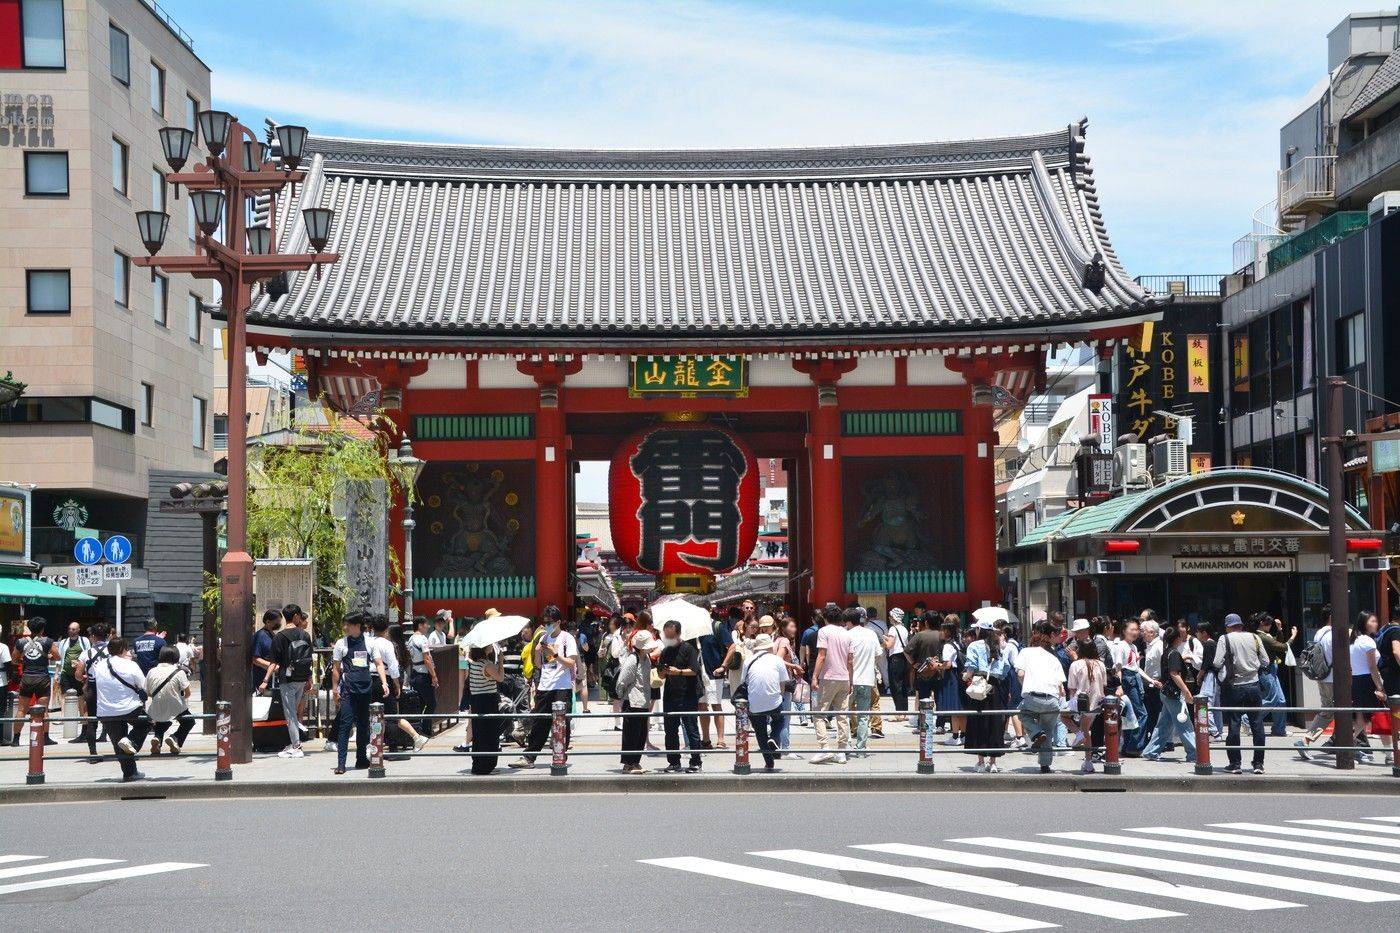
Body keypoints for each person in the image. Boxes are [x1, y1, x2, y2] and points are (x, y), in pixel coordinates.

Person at [512, 606, 577, 768]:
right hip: (545, 685)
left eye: (550, 622)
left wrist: (554, 654)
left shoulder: (567, 638)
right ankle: (529, 757)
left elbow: (571, 663)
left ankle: (560, 755)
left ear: (558, 622)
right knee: (539, 721)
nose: (547, 625)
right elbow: (539, 665)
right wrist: (537, 650)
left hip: (562, 686)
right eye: (545, 622)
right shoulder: (544, 638)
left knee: (561, 721)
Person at [331, 613, 387, 774]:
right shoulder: (341, 644)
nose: (345, 627)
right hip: (348, 689)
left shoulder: (370, 642)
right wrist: (335, 689)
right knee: (345, 724)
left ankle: (361, 758)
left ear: (356, 625)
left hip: (365, 688)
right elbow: (336, 669)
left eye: (347, 624)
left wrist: (384, 682)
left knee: (363, 725)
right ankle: (341, 763)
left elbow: (378, 663)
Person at [1213, 612, 1268, 775]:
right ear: (1241, 625)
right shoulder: (1255, 638)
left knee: (1234, 724)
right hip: (1254, 685)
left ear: (1228, 627)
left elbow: (1216, 662)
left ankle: (1235, 764)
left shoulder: (1225, 639)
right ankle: (1258, 764)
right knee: (1257, 724)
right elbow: (1266, 661)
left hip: (1234, 686)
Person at [91, 637, 151, 782]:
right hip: (130, 707)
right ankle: (132, 741)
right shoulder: (130, 664)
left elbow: (92, 680)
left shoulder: (98, 665)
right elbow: (144, 685)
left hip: (106, 710)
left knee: (118, 742)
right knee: (146, 724)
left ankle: (129, 773)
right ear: (123, 649)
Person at [1016, 624, 1067, 774]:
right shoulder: (1053, 658)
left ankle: (1036, 733)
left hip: (1033, 696)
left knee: (1022, 713)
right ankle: (1045, 765)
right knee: (1049, 730)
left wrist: (1024, 687)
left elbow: (1020, 674)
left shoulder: (1025, 652)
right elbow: (1060, 687)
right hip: (1052, 699)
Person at [1142, 622, 1197, 762]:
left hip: (1166, 693)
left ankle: (1151, 751)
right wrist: (1186, 691)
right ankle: (1195, 753)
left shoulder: (1167, 652)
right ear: (1177, 638)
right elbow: (1174, 673)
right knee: (1184, 724)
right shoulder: (1174, 654)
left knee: (1164, 726)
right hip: (1173, 694)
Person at [963, 619, 1012, 772]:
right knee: (995, 722)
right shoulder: (998, 645)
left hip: (980, 685)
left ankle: (981, 761)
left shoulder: (974, 646)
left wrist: (965, 676)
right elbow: (1006, 668)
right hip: (995, 686)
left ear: (979, 630)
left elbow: (970, 667)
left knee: (979, 721)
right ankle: (993, 763)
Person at [657, 620, 704, 772]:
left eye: (670, 634)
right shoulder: (665, 651)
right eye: (665, 634)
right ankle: (674, 761)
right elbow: (660, 675)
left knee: (691, 728)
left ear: (678, 634)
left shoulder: (688, 649)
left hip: (688, 694)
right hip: (671, 695)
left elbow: (694, 670)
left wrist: (679, 671)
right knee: (670, 730)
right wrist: (663, 672)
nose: (667, 637)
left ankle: (695, 761)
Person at [740, 632, 791, 771]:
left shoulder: (748, 661)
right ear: (770, 646)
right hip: (774, 701)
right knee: (779, 720)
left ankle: (769, 762)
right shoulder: (777, 660)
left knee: (760, 731)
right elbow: (782, 685)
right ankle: (774, 737)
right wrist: (778, 697)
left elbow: (744, 682)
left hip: (754, 703)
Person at [810, 603, 852, 765]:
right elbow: (850, 660)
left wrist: (815, 676)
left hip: (828, 677)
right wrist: (851, 680)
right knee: (842, 715)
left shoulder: (823, 631)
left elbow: (821, 655)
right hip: (844, 677)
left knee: (819, 713)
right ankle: (841, 750)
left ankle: (824, 748)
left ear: (825, 618)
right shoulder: (846, 633)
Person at [270, 604, 314, 757]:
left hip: (286, 679)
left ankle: (296, 747)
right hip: (301, 678)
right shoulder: (305, 635)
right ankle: (293, 743)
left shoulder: (279, 637)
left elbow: (274, 662)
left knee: (290, 714)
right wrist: (309, 678)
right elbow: (309, 659)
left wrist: (265, 680)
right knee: (293, 712)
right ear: (295, 616)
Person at [1347, 612, 1387, 762]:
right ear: (1365, 623)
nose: (1376, 623)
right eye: (1373, 621)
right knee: (1373, 715)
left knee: (1361, 719)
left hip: (1356, 680)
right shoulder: (1368, 642)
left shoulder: (1353, 641)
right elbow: (1372, 667)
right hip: (1367, 681)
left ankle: (1349, 745)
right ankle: (1390, 752)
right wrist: (1380, 686)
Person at [616, 629, 655, 774]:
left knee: (641, 734)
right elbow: (622, 682)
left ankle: (636, 762)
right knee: (631, 734)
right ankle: (628, 763)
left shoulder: (647, 658)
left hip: (643, 701)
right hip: (632, 701)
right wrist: (622, 696)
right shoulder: (633, 659)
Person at [1067, 635, 1106, 774]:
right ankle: (1088, 760)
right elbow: (1104, 684)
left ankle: (1079, 737)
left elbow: (1072, 687)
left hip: (1081, 702)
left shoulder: (1075, 664)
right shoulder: (1101, 664)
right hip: (1097, 702)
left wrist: (1071, 702)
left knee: (1063, 716)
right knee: (1086, 730)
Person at [145, 646, 195, 755]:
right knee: (189, 722)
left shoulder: (151, 671)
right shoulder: (179, 672)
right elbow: (188, 693)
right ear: (176, 657)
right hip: (175, 705)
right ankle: (175, 738)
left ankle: (157, 739)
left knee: (162, 720)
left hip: (156, 705)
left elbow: (148, 693)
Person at [845, 607, 881, 757]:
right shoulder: (871, 634)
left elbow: (846, 659)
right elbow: (879, 654)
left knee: (845, 714)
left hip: (849, 681)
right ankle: (861, 748)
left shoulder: (847, 635)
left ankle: (846, 746)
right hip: (867, 679)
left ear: (848, 621)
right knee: (863, 715)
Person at [15, 621, 58, 744]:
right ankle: (45, 738)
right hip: (42, 678)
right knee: (43, 710)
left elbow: (14, 659)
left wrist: (24, 661)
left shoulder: (21, 642)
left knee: (22, 710)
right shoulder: (48, 641)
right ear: (42, 629)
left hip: (27, 677)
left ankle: (16, 739)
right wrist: (48, 657)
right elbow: (57, 657)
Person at [465, 641, 504, 774]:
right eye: (488, 644)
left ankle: (478, 765)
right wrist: (501, 663)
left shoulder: (474, 664)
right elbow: (500, 678)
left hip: (476, 701)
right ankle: (487, 766)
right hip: (488, 700)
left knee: (479, 734)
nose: (490, 646)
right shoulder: (487, 664)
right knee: (490, 734)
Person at [73, 622, 110, 761]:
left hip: (92, 687)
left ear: (93, 637)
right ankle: (121, 750)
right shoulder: (112, 650)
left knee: (91, 719)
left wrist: (84, 676)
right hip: (108, 688)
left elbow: (77, 674)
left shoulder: (86, 653)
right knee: (115, 718)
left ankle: (93, 753)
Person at [697, 610, 731, 748]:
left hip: (714, 673)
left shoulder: (717, 626)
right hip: (699, 674)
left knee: (716, 705)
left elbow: (732, 646)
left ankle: (721, 739)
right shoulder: (694, 629)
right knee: (702, 706)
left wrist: (723, 666)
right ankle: (706, 740)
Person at [406, 615, 440, 736]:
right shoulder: (422, 639)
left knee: (420, 703)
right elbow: (426, 659)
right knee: (432, 703)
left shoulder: (410, 639)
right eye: (426, 624)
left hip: (415, 674)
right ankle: (425, 729)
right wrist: (434, 676)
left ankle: (417, 729)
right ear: (420, 625)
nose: (428, 626)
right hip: (423, 675)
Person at [936, 617, 965, 742]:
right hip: (959, 676)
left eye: (942, 630)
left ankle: (954, 736)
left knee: (954, 708)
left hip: (951, 677)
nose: (940, 633)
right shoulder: (957, 643)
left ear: (947, 631)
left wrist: (937, 665)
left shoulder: (947, 645)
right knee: (961, 708)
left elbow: (947, 665)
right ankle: (963, 735)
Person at [56, 622, 91, 714]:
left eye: (73, 629)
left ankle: (81, 715)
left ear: (78, 630)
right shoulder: (63, 642)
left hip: (79, 673)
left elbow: (88, 656)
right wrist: (57, 674)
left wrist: (87, 673)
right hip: (65, 672)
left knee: (80, 696)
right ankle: (62, 716)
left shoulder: (84, 641)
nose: (71, 631)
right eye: (69, 629)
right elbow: (59, 660)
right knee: (64, 695)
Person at [885, 607, 911, 722]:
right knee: (903, 685)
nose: (889, 618)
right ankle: (904, 712)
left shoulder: (893, 629)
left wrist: (884, 640)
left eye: (890, 616)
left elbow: (889, 645)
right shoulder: (904, 629)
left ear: (894, 618)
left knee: (896, 686)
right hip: (904, 658)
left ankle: (899, 713)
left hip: (895, 658)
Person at [251, 610, 279, 690]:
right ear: (268, 621)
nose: (279, 624)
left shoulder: (273, 635)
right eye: (277, 621)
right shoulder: (260, 636)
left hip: (274, 679)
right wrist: (272, 667)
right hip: (262, 678)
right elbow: (255, 659)